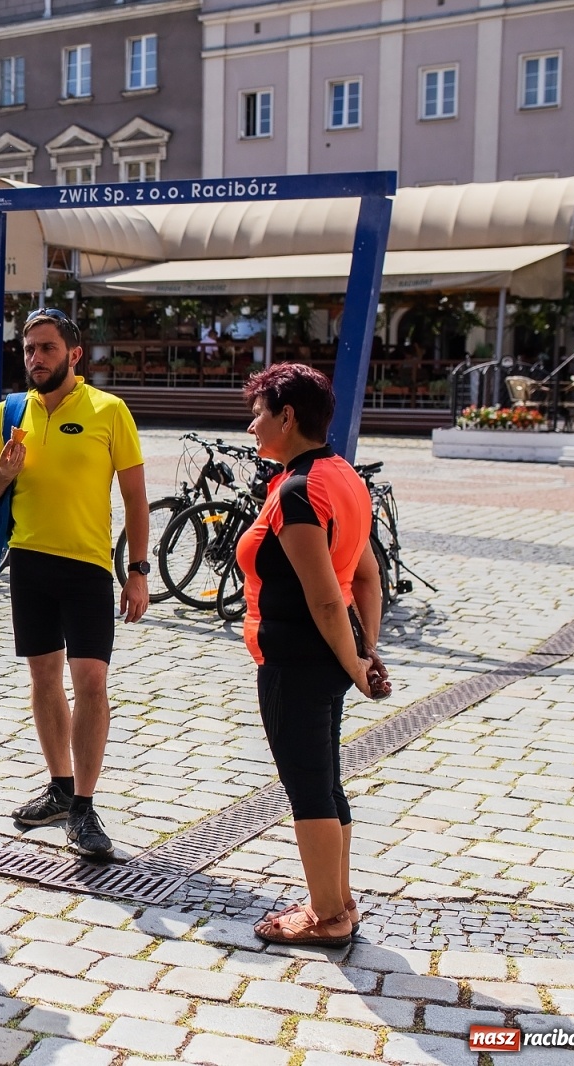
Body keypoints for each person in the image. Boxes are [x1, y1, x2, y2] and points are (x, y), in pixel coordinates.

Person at [0, 307, 150, 862]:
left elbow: (136, 498)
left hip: (88, 567)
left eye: (47, 348)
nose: (35, 359)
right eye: (28, 350)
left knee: (91, 683)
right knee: (44, 679)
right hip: (29, 564)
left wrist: (138, 570)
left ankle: (84, 808)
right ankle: (58, 787)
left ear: (74, 354)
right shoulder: (13, 410)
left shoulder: (108, 410)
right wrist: (4, 472)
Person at [235, 363, 386, 946]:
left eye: (259, 413)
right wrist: (363, 653)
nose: (253, 426)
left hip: (299, 658)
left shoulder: (298, 492)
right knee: (324, 780)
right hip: (325, 659)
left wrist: (358, 664)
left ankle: (326, 916)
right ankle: (339, 899)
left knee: (307, 785)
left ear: (287, 416)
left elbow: (325, 600)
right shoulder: (341, 475)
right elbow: (369, 578)